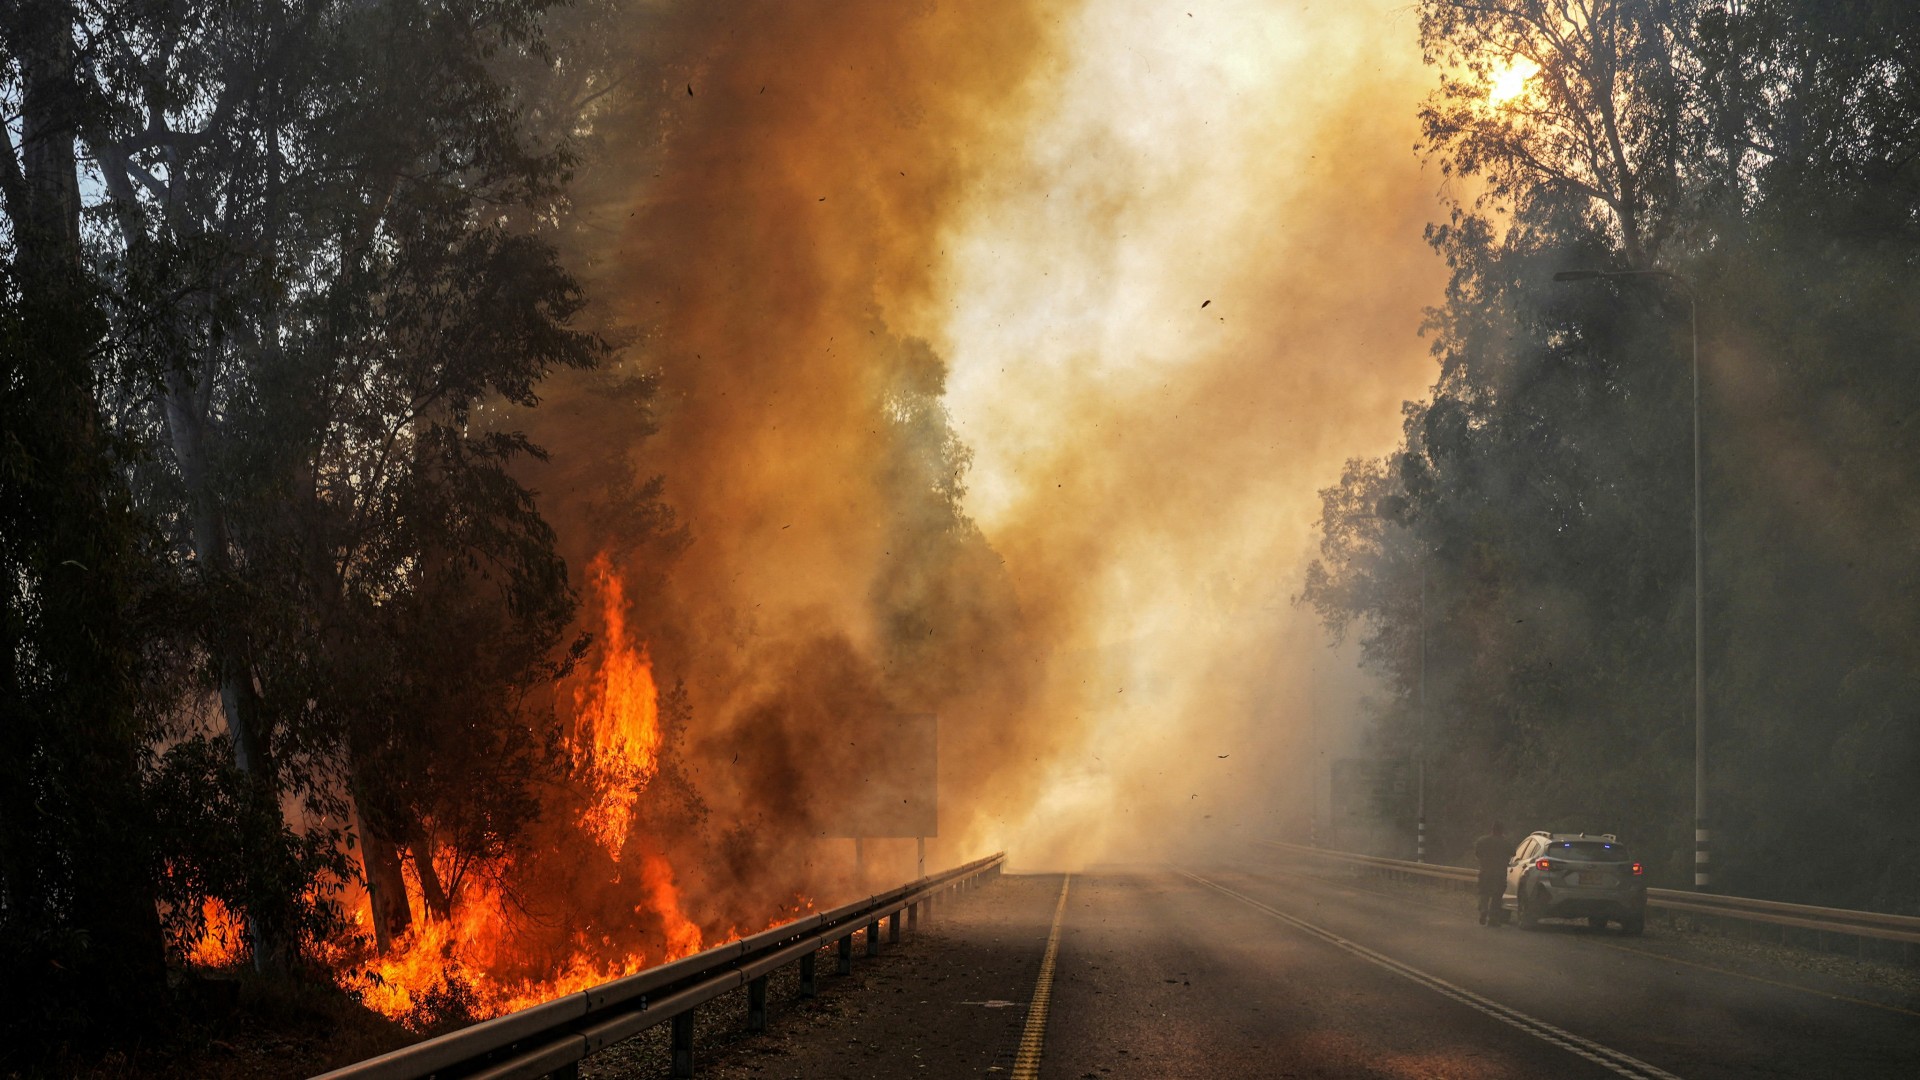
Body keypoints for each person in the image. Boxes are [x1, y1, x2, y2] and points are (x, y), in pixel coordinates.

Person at [1472, 820, 1511, 926]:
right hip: (1500, 874)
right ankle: (1493, 918)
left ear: (1492, 829)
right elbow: (1513, 853)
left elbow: (1477, 854)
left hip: (1485, 871)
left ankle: (1484, 909)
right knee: (1497, 896)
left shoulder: (1482, 841)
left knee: (1484, 892)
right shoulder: (1506, 842)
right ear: (1502, 830)